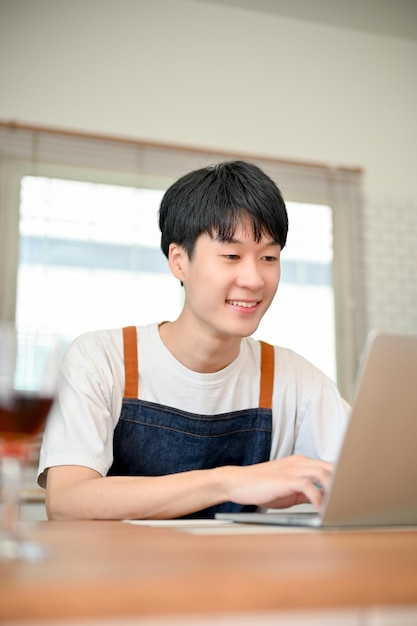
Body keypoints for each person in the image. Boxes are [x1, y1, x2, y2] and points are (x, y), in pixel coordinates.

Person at [38, 160, 350, 520]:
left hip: (243, 575)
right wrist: (229, 482)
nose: (253, 279)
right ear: (178, 260)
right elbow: (67, 502)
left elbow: (369, 482)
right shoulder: (101, 359)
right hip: (121, 574)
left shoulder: (296, 379)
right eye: (231, 256)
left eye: (268, 257)